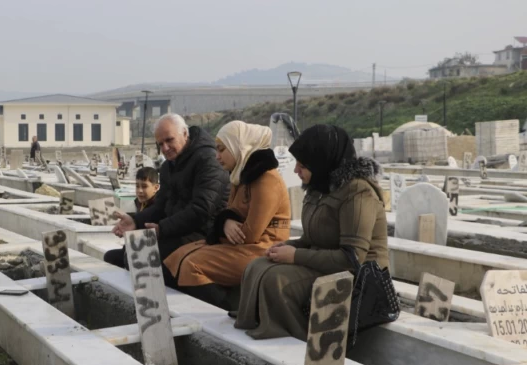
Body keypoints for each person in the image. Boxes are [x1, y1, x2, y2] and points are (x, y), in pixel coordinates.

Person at [234, 125, 388, 340]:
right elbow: (312, 238)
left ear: (322, 162)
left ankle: (293, 338)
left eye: (303, 165)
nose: (296, 170)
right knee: (256, 265)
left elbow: (352, 257)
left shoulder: (358, 192)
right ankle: (255, 321)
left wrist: (295, 256)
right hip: (327, 264)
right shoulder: (320, 188)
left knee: (276, 278)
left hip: (358, 277)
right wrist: (289, 246)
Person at [163, 121, 290, 308]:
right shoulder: (241, 176)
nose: (217, 156)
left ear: (238, 147)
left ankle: (226, 312)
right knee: (174, 258)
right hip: (241, 245)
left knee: (192, 264)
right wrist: (225, 222)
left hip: (263, 249)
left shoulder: (266, 179)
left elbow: (250, 234)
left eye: (222, 150)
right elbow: (230, 213)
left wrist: (226, 222)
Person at [111, 113, 229, 263]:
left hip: (203, 234)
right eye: (160, 144)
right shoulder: (168, 166)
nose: (165, 148)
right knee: (117, 257)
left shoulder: (208, 160)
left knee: (138, 260)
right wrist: (135, 220)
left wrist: (162, 228)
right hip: (175, 231)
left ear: (185, 134)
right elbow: (160, 206)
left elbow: (202, 209)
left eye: (169, 140)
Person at [104, 166, 160, 268]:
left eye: (144, 186)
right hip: (136, 248)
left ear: (156, 188)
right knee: (110, 257)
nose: (140, 190)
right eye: (137, 186)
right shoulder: (139, 203)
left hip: (152, 253)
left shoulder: (157, 208)